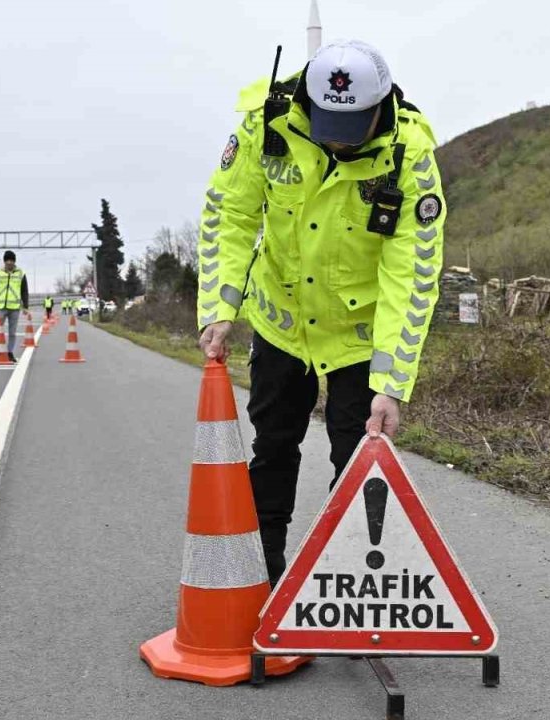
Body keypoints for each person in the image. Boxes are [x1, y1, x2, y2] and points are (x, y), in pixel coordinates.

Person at [196, 40, 446, 585]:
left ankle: (348, 588)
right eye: (328, 119)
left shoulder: (410, 156)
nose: (337, 135)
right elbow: (229, 215)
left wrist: (392, 383)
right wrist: (220, 307)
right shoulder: (267, 127)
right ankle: (261, 578)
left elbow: (413, 272)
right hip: (281, 321)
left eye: (353, 122)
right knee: (274, 447)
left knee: (356, 459)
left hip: (358, 335)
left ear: (380, 108)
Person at [0, 250, 28, 360]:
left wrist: (26, 306)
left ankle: (10, 353)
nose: (9, 262)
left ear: (14, 261)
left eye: (11, 260)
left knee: (12, 333)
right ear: (4, 261)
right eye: (7, 260)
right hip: (0, 307)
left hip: (14, 308)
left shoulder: (21, 274)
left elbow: (24, 291)